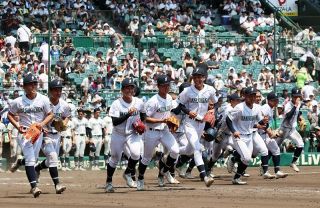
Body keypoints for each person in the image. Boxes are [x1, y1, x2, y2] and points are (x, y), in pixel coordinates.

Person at [8, 73, 54, 198]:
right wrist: (18, 126)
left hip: (38, 133)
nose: (33, 86)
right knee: (30, 159)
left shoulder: (43, 99)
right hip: (25, 134)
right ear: (24, 86)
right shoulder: (17, 101)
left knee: (33, 160)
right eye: (30, 84)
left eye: (35, 83)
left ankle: (20, 161)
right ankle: (34, 187)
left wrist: (42, 124)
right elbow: (9, 115)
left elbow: (50, 114)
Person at [136, 75, 180, 191]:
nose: (166, 87)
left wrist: (170, 121)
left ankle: (163, 172)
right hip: (151, 131)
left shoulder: (169, 98)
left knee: (175, 151)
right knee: (146, 158)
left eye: (167, 85)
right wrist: (162, 120)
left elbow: (169, 113)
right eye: (163, 85)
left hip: (164, 130)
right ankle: (140, 178)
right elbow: (145, 118)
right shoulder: (153, 101)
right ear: (158, 86)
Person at [176, 67, 217, 186]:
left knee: (189, 150)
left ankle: (171, 153)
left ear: (204, 77)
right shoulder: (187, 91)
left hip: (201, 124)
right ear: (192, 78)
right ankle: (205, 177)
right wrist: (188, 111)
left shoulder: (210, 90)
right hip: (189, 123)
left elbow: (215, 102)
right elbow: (180, 105)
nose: (198, 79)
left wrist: (212, 110)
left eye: (200, 76)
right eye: (195, 77)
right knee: (197, 148)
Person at [105, 78, 145, 193]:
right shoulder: (116, 104)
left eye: (131, 88)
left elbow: (143, 114)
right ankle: (108, 182)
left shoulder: (138, 102)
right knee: (115, 158)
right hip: (118, 134)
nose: (130, 90)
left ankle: (127, 172)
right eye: (127, 88)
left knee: (137, 154)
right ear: (122, 90)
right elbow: (115, 122)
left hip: (132, 133)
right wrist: (128, 114)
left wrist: (141, 124)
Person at [34, 79, 71, 194]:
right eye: (55, 90)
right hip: (45, 135)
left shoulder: (64, 105)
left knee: (52, 160)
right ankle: (57, 185)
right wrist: (42, 126)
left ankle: (37, 168)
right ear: (50, 91)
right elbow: (37, 118)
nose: (58, 92)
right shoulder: (44, 103)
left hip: (57, 135)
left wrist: (64, 123)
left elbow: (67, 116)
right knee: (53, 157)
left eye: (60, 90)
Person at [226, 87, 267, 185]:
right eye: (250, 95)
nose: (252, 97)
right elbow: (228, 119)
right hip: (239, 136)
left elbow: (259, 122)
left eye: (254, 95)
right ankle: (234, 162)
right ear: (245, 96)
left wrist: (263, 122)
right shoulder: (240, 108)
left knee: (247, 160)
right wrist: (233, 131)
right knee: (247, 158)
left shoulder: (257, 108)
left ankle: (236, 177)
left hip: (249, 136)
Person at [259, 92, 288, 178]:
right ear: (269, 101)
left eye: (277, 100)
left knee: (276, 149)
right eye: (274, 100)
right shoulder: (265, 108)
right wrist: (270, 132)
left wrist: (273, 132)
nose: (276, 102)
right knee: (252, 154)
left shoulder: (271, 109)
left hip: (266, 134)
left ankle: (277, 171)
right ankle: (233, 158)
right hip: (259, 134)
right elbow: (261, 121)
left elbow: (268, 123)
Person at [277, 88, 304, 172]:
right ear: (291, 96)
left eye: (298, 96)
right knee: (275, 147)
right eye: (295, 96)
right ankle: (263, 165)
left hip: (292, 129)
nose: (297, 98)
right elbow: (288, 116)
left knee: (301, 144)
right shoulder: (288, 105)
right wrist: (295, 105)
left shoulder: (298, 103)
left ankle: (293, 163)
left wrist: (300, 117)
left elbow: (297, 112)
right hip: (284, 129)